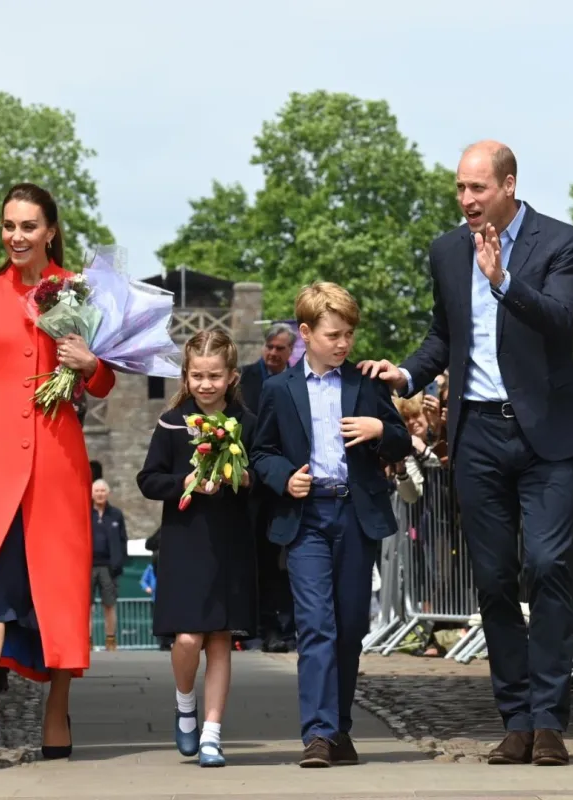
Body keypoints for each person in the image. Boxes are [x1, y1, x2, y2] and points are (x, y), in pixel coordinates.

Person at [362, 141, 573, 767]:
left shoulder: (562, 242)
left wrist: (503, 280)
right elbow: (443, 337)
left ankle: (552, 718)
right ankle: (518, 718)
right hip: (476, 437)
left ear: (509, 184)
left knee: (549, 565)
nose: (467, 201)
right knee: (495, 580)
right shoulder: (447, 251)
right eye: (460, 190)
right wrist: (405, 376)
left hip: (547, 432)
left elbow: (559, 319)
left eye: (478, 189)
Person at [0, 182, 116, 763]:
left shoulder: (81, 291)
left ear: (50, 231)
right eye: (9, 226)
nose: (16, 236)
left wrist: (91, 364)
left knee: (57, 586)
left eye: (28, 226)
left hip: (59, 461)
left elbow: (106, 380)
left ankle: (57, 709)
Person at [251, 282, 410, 768]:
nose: (344, 344)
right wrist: (285, 479)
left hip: (355, 515)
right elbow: (262, 452)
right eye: (334, 334)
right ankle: (317, 733)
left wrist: (381, 430)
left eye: (349, 335)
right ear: (307, 333)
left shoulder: (365, 384)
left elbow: (402, 440)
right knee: (316, 626)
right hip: (307, 519)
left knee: (350, 627)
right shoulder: (280, 389)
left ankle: (338, 727)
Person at [137, 330, 258, 768]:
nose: (206, 384)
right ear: (185, 378)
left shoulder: (246, 420)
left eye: (215, 376)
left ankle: (212, 734)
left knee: (222, 640)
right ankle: (184, 702)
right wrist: (186, 483)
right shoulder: (172, 423)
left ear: (232, 376)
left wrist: (245, 478)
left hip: (230, 542)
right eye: (197, 376)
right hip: (185, 542)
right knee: (188, 638)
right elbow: (148, 480)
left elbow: (261, 474)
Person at [239, 323, 298, 653]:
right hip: (253, 487)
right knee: (261, 561)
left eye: (281, 348)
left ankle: (289, 626)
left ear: (290, 351)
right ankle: (267, 627)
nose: (274, 353)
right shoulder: (244, 379)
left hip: (287, 483)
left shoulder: (297, 381)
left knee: (286, 561)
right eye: (270, 347)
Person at [90, 479, 128, 651]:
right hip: (87, 567)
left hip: (108, 567)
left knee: (110, 605)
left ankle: (111, 641)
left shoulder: (116, 514)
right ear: (91, 493)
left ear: (108, 493)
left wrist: (119, 562)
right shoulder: (84, 513)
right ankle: (87, 641)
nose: (100, 494)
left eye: (102, 490)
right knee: (86, 607)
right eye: (97, 490)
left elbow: (122, 540)